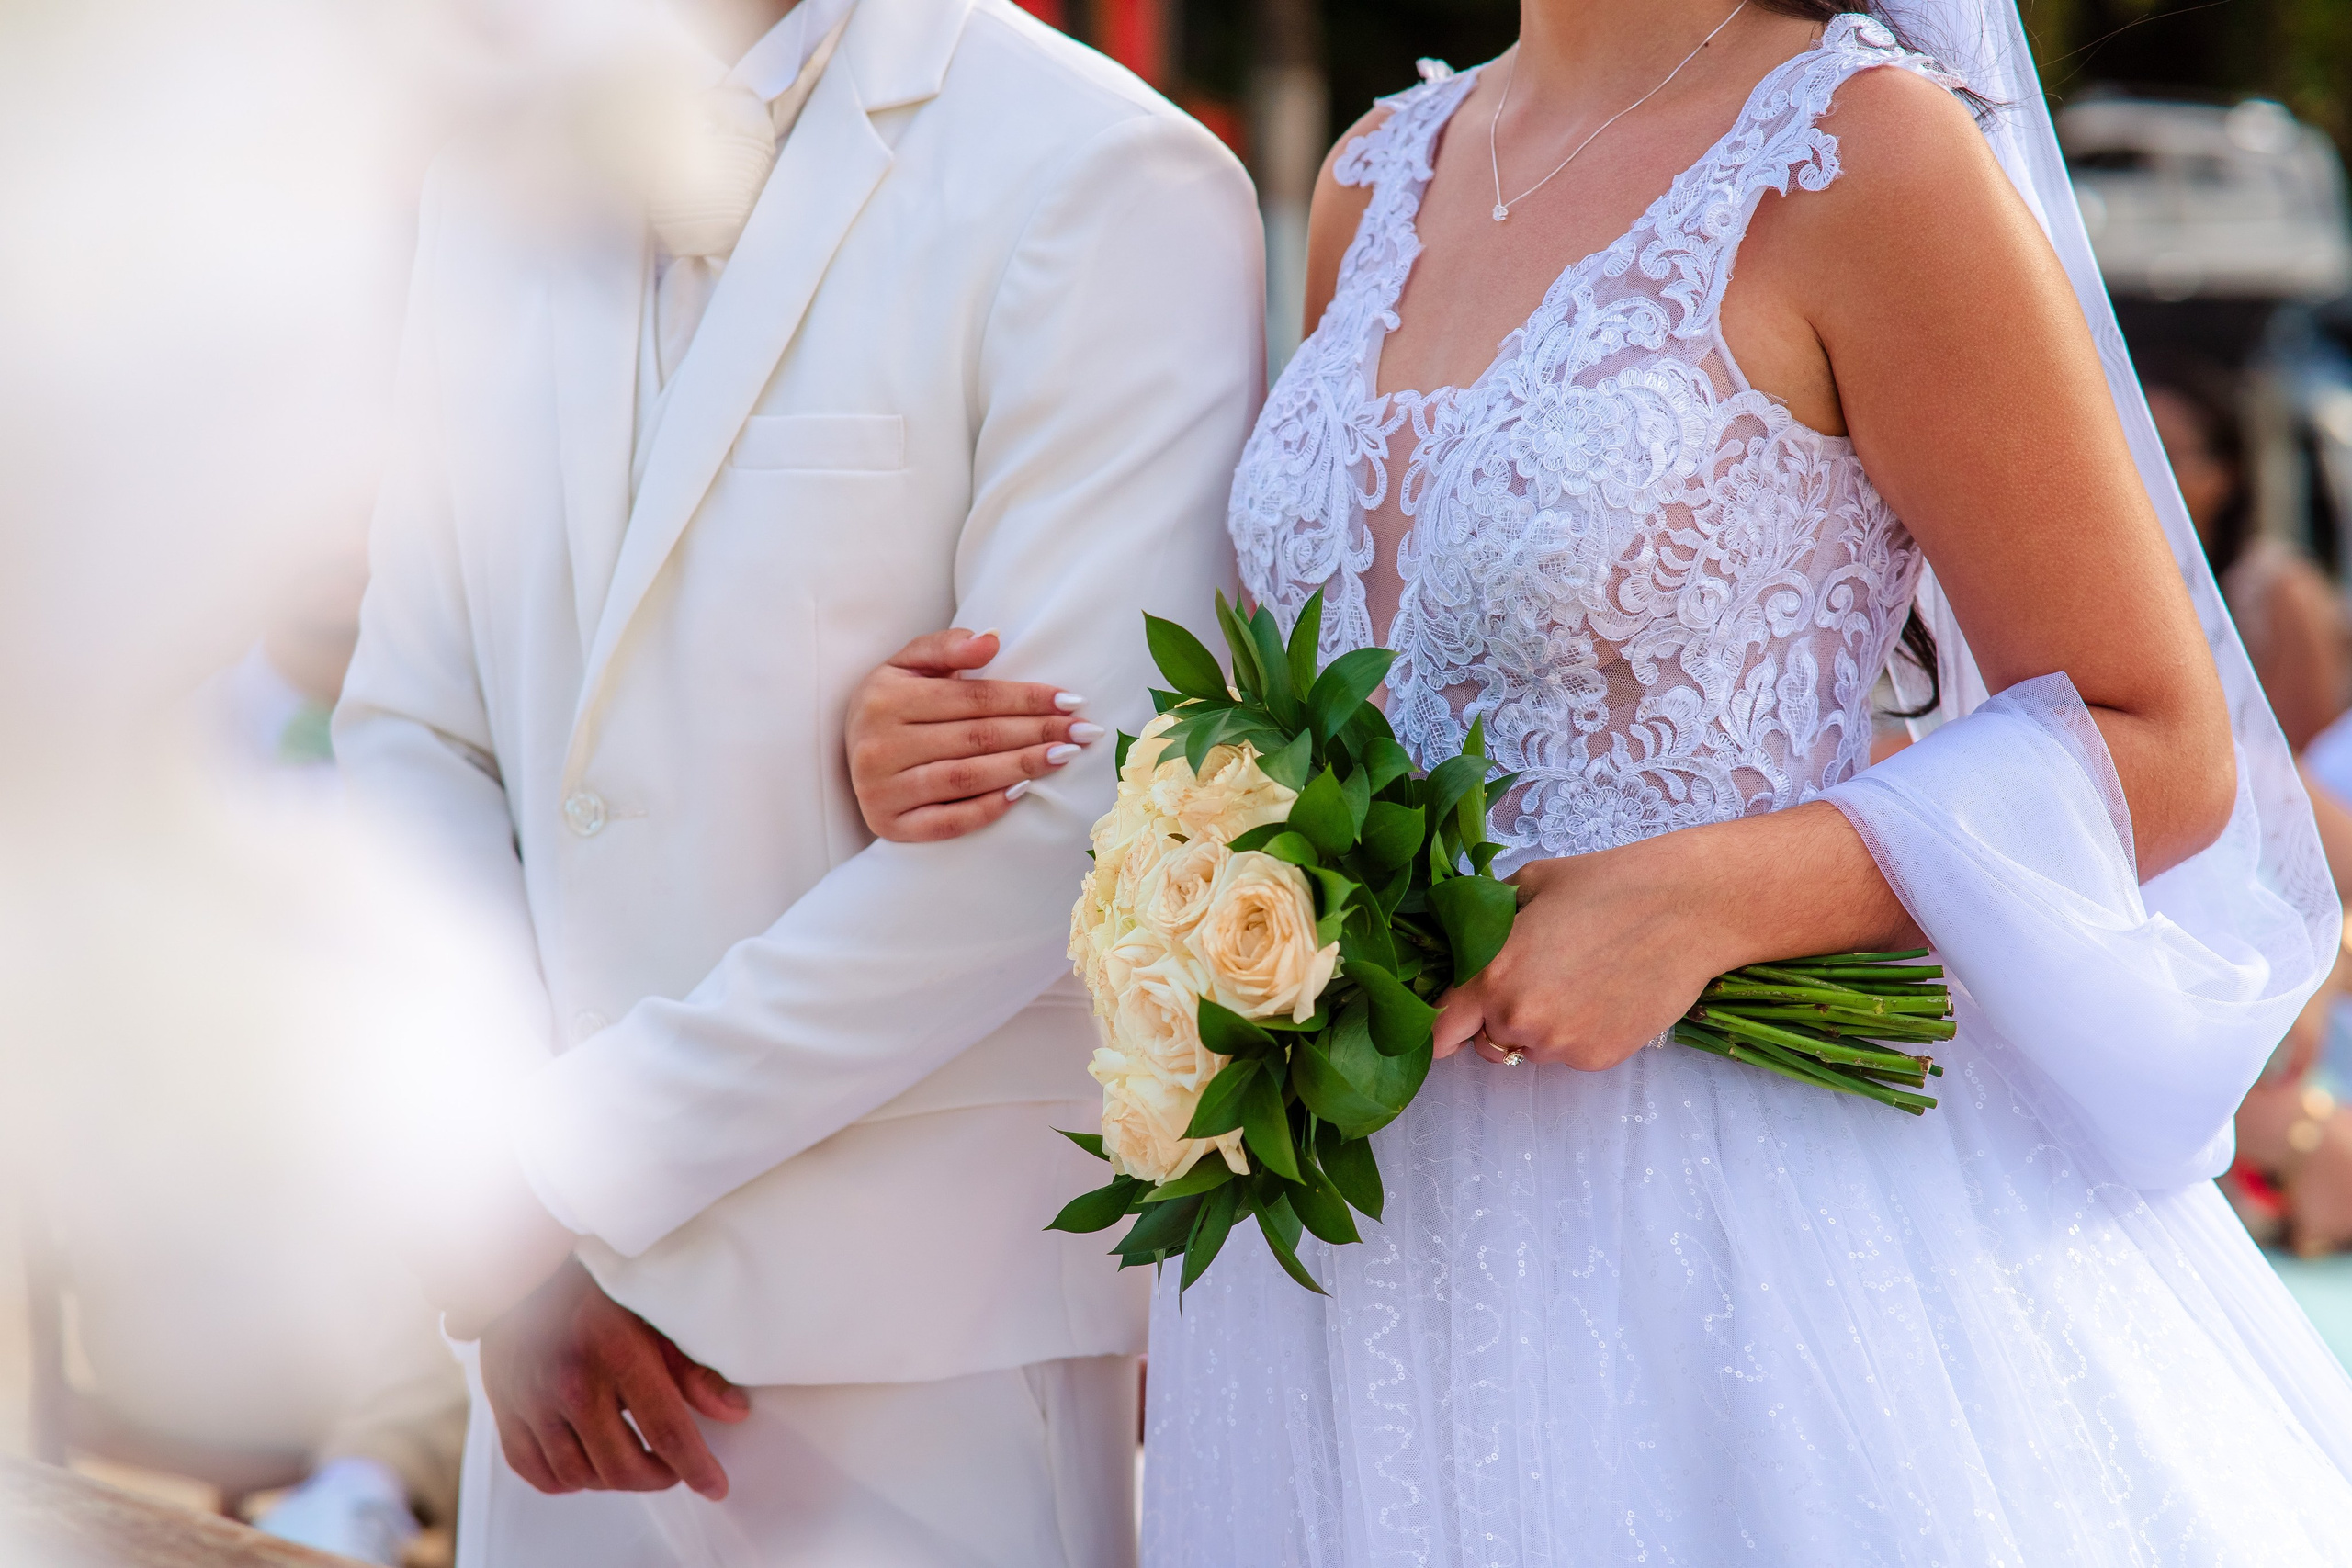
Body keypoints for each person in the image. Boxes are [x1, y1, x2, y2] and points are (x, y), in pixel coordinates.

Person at [859, 0, 2352, 1559]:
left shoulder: (1863, 158)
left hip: (1724, 1234)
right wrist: (936, 730)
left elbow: (2159, 742)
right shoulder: (1377, 174)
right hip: (1356, 1235)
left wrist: (1707, 896)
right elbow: (1293, 688)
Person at [332, 0, 1262, 1561]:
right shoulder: (489, 172)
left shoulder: (1105, 175)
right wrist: (498, 1231)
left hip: (923, 1368)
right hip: (542, 1367)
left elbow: (1069, 828)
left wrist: (555, 1162)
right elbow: (413, 726)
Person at [2143, 352, 2349, 750]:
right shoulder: (2123, 583)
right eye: (2132, 451)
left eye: (2166, 456)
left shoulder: (2278, 588)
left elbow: (2309, 753)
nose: (2145, 472)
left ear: (2224, 475)